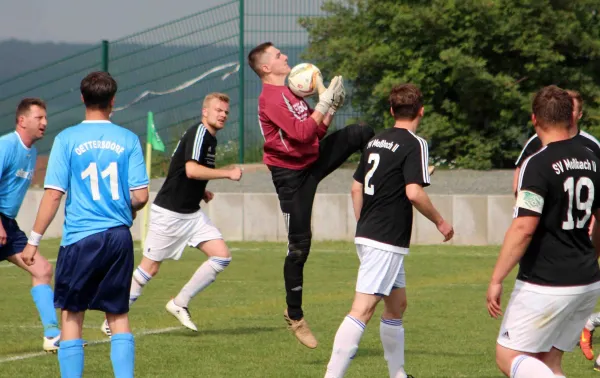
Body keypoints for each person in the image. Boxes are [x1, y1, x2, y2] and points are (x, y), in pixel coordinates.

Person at [22, 71, 149, 378]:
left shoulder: (66, 138)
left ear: (83, 98)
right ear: (113, 101)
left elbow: (53, 195)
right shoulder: (128, 139)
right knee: (117, 314)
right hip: (119, 238)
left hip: (81, 239)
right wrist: (124, 209)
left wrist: (34, 239)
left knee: (71, 314)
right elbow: (141, 195)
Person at [247, 41, 375, 348]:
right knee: (300, 247)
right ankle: (295, 315)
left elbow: (314, 134)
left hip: (312, 160)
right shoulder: (270, 99)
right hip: (291, 178)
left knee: (362, 132)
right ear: (266, 68)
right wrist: (323, 102)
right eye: (278, 55)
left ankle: (394, 175)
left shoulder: (292, 92)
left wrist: (330, 109)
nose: (285, 56)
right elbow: (302, 133)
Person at [323, 83, 453, 378]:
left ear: (392, 110)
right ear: (421, 111)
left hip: (370, 233)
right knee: (363, 309)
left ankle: (398, 374)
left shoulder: (376, 141)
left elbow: (356, 187)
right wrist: (441, 222)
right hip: (386, 239)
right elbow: (414, 193)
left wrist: (363, 222)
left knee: (397, 306)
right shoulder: (415, 143)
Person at [100, 92, 242, 336]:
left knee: (221, 256)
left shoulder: (210, 138)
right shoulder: (200, 132)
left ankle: (179, 303)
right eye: (218, 110)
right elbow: (190, 169)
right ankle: (111, 319)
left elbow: (189, 172)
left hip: (190, 214)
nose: (223, 115)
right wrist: (227, 173)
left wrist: (201, 192)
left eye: (226, 112)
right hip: (170, 213)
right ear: (204, 111)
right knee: (149, 269)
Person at [487, 85, 600, 378]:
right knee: (548, 362)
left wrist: (497, 277)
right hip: (587, 280)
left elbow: (524, 227)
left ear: (535, 119)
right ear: (570, 116)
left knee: (507, 356)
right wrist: (592, 256)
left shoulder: (537, 163)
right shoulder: (593, 159)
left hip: (546, 283)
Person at [0, 98, 60, 352]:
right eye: (39, 118)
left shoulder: (32, 151)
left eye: (45, 118)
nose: (45, 123)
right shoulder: (6, 145)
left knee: (42, 269)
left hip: (8, 224)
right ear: (22, 121)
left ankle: (53, 335)